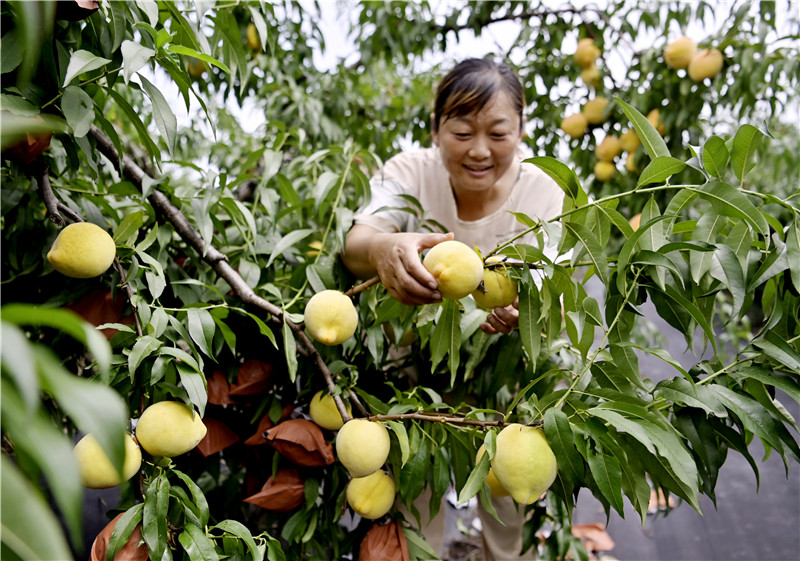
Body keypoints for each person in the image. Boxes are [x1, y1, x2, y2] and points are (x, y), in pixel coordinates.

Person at [341, 58, 565, 560]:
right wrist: (381, 250)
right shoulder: (409, 173)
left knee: (511, 514)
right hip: (413, 377)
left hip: (507, 385)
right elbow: (356, 242)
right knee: (417, 502)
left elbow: (560, 292)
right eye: (462, 132)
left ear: (523, 131)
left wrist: (527, 310)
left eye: (498, 133)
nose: (480, 150)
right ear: (436, 130)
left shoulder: (543, 191)